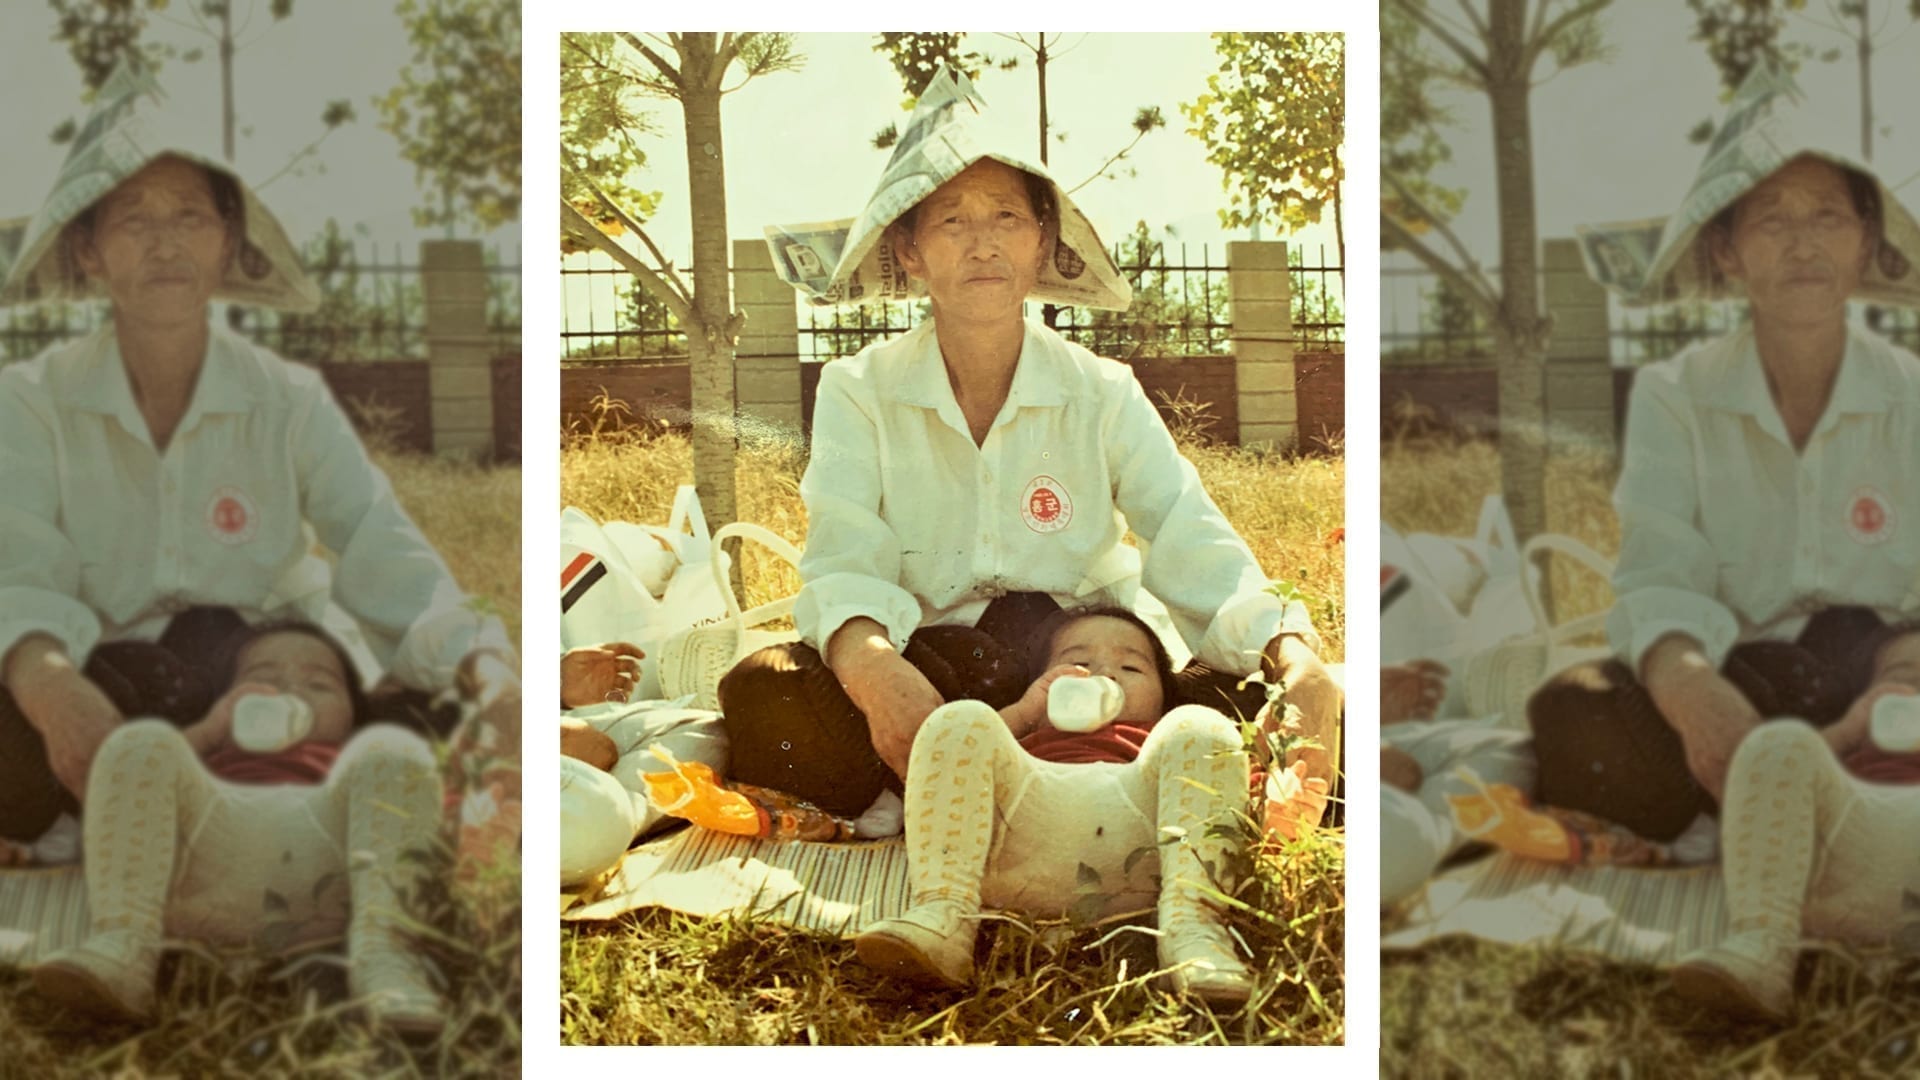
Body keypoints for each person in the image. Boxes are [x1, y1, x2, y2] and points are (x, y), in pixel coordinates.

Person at [718, 67, 1340, 834]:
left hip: (1080, 667)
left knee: (1280, 708)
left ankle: (1000, 790)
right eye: (950, 220)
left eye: (1007, 216)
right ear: (908, 251)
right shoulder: (859, 388)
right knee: (764, 689)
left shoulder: (1101, 388)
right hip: (936, 665)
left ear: (1041, 240)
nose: (982, 244)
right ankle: (1068, 787)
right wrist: (877, 672)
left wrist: (1295, 658)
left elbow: (1186, 528)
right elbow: (845, 555)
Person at [0, 70, 518, 850]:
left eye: (190, 217)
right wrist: (50, 689)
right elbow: (20, 572)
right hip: (107, 682)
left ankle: (179, 823)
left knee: (441, 722)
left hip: (265, 678)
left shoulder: (287, 399)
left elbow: (381, 547)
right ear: (90, 249)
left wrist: (491, 679)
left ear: (228, 242)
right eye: (133, 219)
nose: (165, 243)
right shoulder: (31, 400)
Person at [1527, 71, 1920, 842]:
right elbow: (1660, 574)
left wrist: (1902, 680)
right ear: (1727, 249)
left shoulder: (1911, 397)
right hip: (1741, 671)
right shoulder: (1676, 394)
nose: (1802, 243)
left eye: (1828, 217)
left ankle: (1804, 795)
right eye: (1770, 219)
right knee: (1569, 709)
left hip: (1878, 674)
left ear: (1866, 242)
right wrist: (1692, 691)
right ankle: (1812, 792)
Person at [855, 606, 1326, 1005]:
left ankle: (1195, 928)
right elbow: (965, 759)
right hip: (1020, 843)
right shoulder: (1027, 739)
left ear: (1163, 695)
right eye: (1076, 663)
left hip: (1144, 850)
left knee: (1205, 729)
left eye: (1132, 668)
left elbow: (1221, 798)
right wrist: (1025, 710)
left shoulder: (1162, 738)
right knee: (960, 720)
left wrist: (1278, 813)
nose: (1103, 675)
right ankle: (945, 913)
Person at [32, 621, 447, 1033]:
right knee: (140, 741)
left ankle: (385, 955)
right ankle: (125, 942)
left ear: (351, 717)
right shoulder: (208, 757)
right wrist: (210, 732)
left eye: (320, 686)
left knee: (399, 751)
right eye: (261, 680)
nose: (290, 691)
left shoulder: (353, 766)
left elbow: (414, 818)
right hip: (200, 866)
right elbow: (143, 781)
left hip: (323, 868)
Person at [1671, 625, 1920, 1021]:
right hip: (1849, 853)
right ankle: (1764, 944)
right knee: (1780, 742)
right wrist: (1846, 730)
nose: (1912, 683)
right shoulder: (1859, 737)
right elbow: (1789, 778)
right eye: (1898, 672)